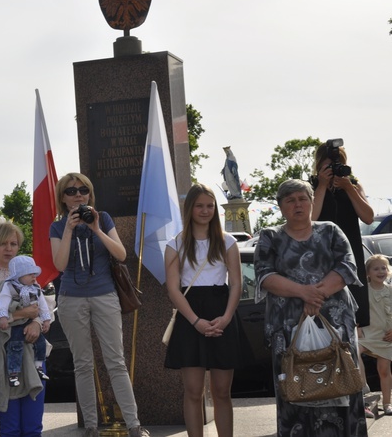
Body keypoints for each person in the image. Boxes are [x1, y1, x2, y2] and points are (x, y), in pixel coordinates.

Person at [254, 179, 366, 436]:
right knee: (295, 390)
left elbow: (348, 267)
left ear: (312, 202)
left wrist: (317, 295)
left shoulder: (331, 231)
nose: (297, 204)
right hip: (289, 327)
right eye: (290, 200)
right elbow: (264, 276)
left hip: (335, 324)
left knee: (343, 383)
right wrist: (305, 292)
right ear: (280, 206)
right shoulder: (270, 237)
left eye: (302, 199)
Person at [49, 172, 147, 437]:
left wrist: (96, 230)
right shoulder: (57, 227)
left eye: (83, 190)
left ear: (90, 194)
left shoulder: (103, 218)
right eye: (71, 191)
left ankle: (134, 425)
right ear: (62, 197)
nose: (78, 194)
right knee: (82, 363)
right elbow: (59, 265)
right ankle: (91, 426)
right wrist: (69, 229)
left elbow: (121, 254)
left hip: (105, 296)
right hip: (71, 299)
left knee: (115, 361)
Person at [163, 184, 243, 437]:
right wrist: (195, 321)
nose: (205, 210)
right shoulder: (175, 245)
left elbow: (236, 283)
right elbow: (174, 289)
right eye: (199, 205)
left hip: (222, 312)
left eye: (210, 205)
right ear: (190, 209)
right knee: (194, 391)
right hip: (190, 315)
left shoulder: (227, 242)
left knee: (222, 391)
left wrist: (227, 317)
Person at [0, 222, 46, 436]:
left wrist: (36, 323)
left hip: (32, 353)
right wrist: (23, 315)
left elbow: (43, 306)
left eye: (13, 243)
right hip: (0, 356)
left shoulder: (27, 271)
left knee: (33, 426)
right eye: (3, 243)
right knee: (10, 427)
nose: (9, 248)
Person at [311, 141, 374, 327]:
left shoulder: (353, 185)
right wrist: (322, 186)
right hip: (323, 254)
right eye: (328, 165)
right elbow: (311, 218)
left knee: (354, 314)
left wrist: (349, 189)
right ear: (319, 165)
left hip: (351, 252)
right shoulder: (311, 186)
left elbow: (368, 217)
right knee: (326, 314)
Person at [0, 255, 51, 387]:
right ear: (18, 275)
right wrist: (3, 317)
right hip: (16, 323)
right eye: (29, 274)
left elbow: (42, 304)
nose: (34, 277)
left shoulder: (35, 287)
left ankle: (39, 366)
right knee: (15, 345)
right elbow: (2, 302)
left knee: (41, 343)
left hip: (30, 321)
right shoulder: (9, 287)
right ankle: (13, 373)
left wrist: (45, 320)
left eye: (34, 274)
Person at [358, 254, 392, 416]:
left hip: (386, 336)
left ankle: (387, 403)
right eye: (376, 268)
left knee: (384, 370)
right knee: (354, 351)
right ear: (367, 273)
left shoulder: (390, 290)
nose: (381, 271)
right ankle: (363, 384)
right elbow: (356, 310)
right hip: (368, 334)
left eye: (384, 268)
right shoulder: (363, 290)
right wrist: (357, 326)